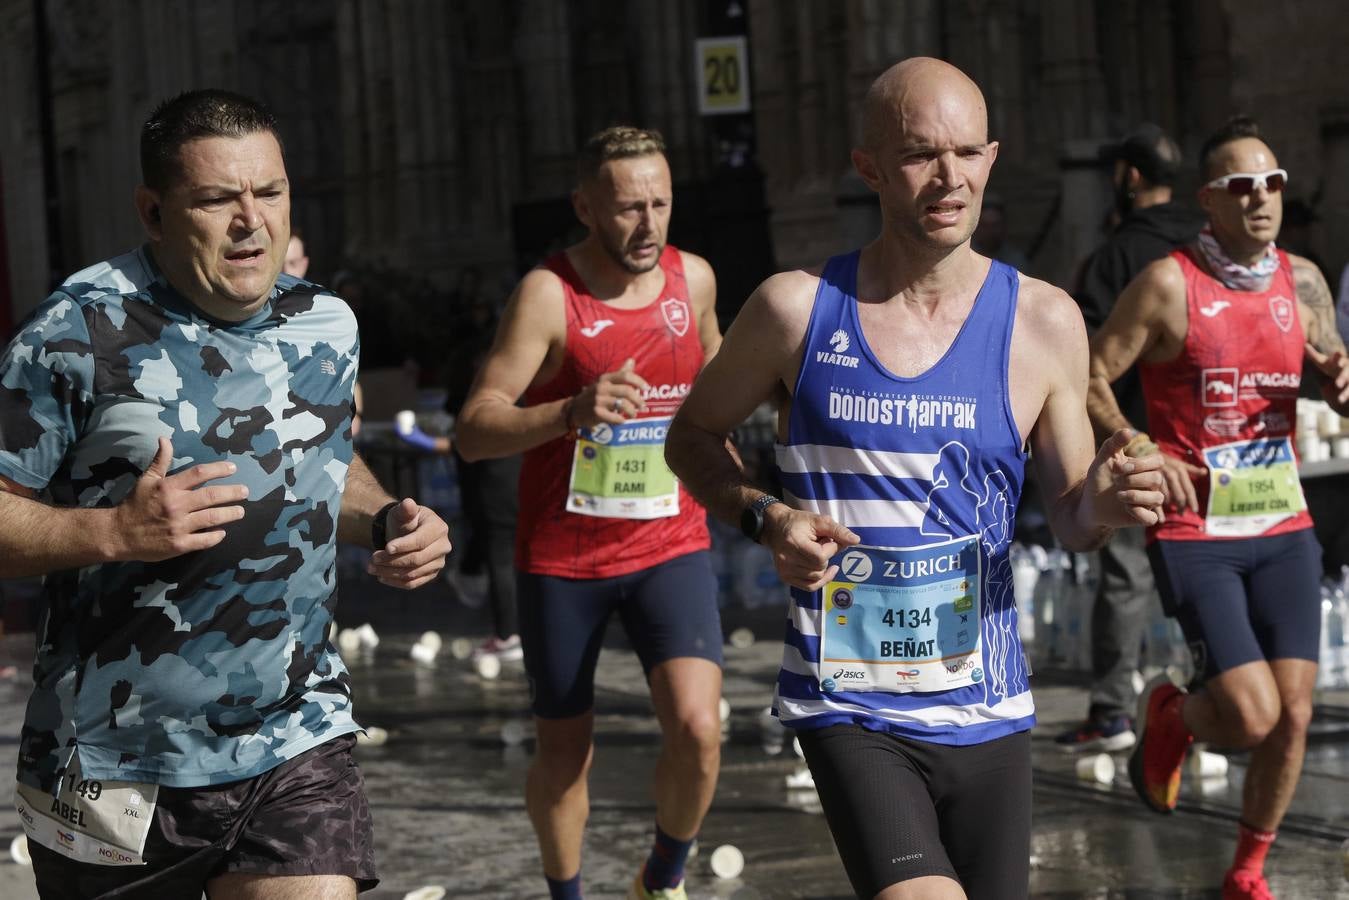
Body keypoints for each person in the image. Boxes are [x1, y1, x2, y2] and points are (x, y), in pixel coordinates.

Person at [665, 58, 1165, 900]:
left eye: (966, 153)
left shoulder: (1043, 320)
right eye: (919, 155)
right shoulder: (795, 308)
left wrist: (1105, 504)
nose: (948, 177)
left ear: (991, 158)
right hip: (848, 700)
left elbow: (1073, 519)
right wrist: (764, 517)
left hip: (988, 703)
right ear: (867, 167)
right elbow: (690, 435)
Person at [0, 89, 451, 899]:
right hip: (113, 757)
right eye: (216, 199)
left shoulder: (324, 322)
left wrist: (386, 519)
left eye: (269, 192)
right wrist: (116, 532)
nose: (252, 220)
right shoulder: (75, 334)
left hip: (295, 736)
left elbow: (322, 457)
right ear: (153, 211)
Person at [456, 126, 724, 900]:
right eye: (628, 208)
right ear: (584, 207)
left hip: (670, 542)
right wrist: (568, 411)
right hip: (563, 561)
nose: (647, 225)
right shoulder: (549, 294)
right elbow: (473, 430)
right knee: (566, 756)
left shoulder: (693, 280)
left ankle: (661, 879)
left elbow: (718, 377)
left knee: (699, 731)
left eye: (659, 205)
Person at [1087, 115, 1349, 900]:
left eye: (1272, 183)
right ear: (1208, 199)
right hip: (1196, 529)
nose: (1261, 198)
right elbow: (1091, 373)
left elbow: (1326, 375)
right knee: (1250, 714)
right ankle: (1170, 714)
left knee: (1294, 715)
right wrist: (1139, 447)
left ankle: (1245, 870)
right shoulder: (1167, 283)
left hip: (1282, 520)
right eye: (1241, 186)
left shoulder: (1300, 280)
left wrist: (1338, 382)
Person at [1056, 124, 1204, 752]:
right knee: (1209, 572)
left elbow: (1082, 355)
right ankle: (1216, 701)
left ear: (1131, 177)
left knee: (1125, 575)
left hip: (1137, 440)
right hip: (1209, 439)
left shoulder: (1119, 255)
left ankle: (1113, 711)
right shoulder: (1206, 244)